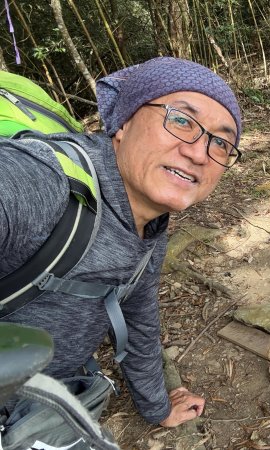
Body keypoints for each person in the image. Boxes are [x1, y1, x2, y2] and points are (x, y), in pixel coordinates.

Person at [0, 57, 242, 429]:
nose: (198, 153)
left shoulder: (151, 228)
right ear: (123, 124)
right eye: (180, 120)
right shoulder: (47, 184)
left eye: (221, 143)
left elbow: (139, 320)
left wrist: (157, 407)